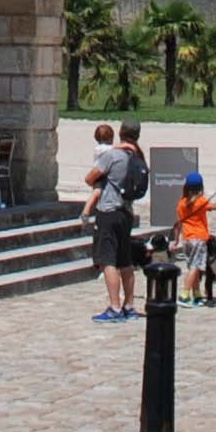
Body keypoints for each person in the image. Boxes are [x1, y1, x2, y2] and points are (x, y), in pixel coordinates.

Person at [83, 122, 138, 321]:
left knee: (108, 260)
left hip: (108, 211)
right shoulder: (135, 156)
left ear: (120, 134)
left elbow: (90, 178)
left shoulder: (111, 156)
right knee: (125, 261)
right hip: (126, 212)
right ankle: (130, 305)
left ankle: (115, 306)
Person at [173, 171, 216, 304]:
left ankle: (197, 294)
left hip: (187, 239)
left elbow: (178, 224)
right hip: (199, 239)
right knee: (196, 268)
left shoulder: (181, 203)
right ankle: (184, 294)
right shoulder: (201, 201)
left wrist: (176, 240)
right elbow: (215, 206)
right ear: (201, 187)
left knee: (192, 267)